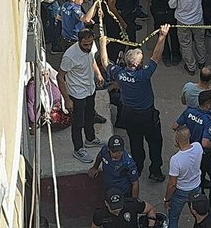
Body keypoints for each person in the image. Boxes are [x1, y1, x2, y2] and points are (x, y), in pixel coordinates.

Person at [97, 26, 168, 181]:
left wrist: (102, 44)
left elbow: (104, 62)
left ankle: (138, 167)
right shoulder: (144, 75)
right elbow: (156, 56)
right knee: (155, 143)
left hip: (129, 115)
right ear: (137, 63)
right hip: (147, 115)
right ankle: (155, 171)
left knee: (135, 142)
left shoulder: (119, 74)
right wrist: (162, 37)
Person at [57, 28, 104, 164]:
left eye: (90, 43)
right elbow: (60, 77)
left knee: (90, 115)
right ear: (79, 42)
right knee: (78, 123)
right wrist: (66, 99)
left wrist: (98, 74)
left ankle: (90, 139)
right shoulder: (70, 56)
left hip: (90, 89)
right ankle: (78, 149)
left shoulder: (91, 47)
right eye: (85, 45)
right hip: (77, 93)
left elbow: (92, 60)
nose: (88, 47)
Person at [174, 89, 211, 215]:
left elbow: (175, 126)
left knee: (199, 176)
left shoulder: (189, 111)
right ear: (207, 104)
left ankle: (199, 204)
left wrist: (185, 139)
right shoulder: (208, 120)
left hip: (192, 153)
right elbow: (205, 143)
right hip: (206, 155)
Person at [169, 0, 208, 75]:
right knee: (200, 41)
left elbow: (171, 5)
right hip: (198, 19)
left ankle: (191, 67)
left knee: (186, 44)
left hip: (183, 20)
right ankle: (202, 62)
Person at [163, 126, 203, 228]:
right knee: (199, 214)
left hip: (181, 191)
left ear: (177, 139)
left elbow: (172, 184)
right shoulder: (198, 147)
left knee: (173, 218)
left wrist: (167, 199)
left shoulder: (176, 159)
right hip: (196, 187)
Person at [90, 187, 159, 228]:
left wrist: (151, 226)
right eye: (113, 208)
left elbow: (150, 209)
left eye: (119, 206)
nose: (117, 211)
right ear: (106, 203)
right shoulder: (100, 214)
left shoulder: (132, 204)